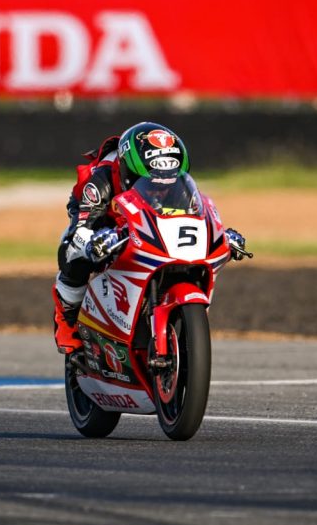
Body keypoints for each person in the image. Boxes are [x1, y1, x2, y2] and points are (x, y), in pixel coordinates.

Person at [52, 122, 246, 354]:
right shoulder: (100, 181)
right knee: (74, 251)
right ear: (127, 171)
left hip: (142, 212)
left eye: (169, 179)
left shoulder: (171, 180)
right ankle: (67, 316)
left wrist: (220, 236)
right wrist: (93, 240)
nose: (160, 187)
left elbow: (191, 211)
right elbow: (83, 228)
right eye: (150, 179)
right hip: (102, 215)